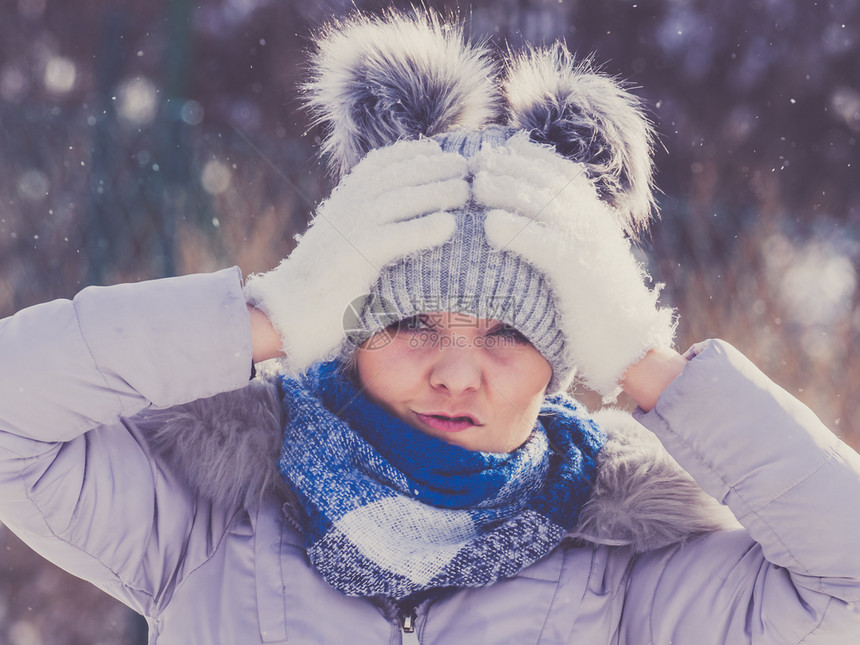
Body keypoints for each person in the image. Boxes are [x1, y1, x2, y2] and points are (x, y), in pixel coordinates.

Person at [1, 9, 859, 644]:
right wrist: (268, 316)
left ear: (564, 358)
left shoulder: (629, 577)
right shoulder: (206, 521)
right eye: (412, 322)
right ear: (346, 327)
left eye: (507, 335)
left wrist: (645, 361)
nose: (456, 372)